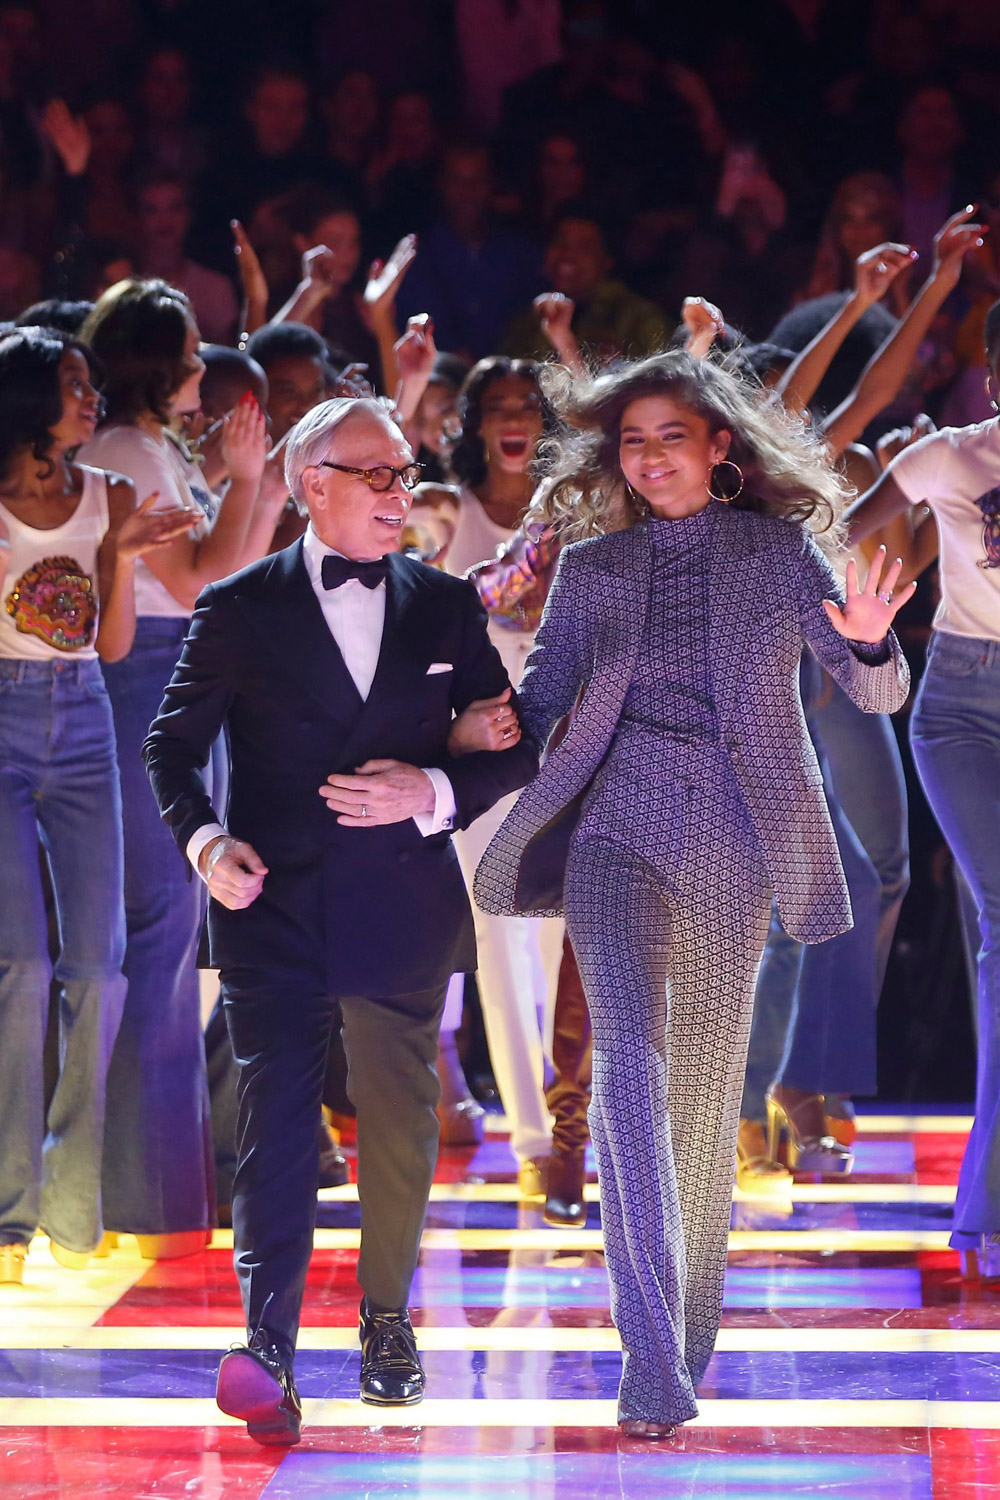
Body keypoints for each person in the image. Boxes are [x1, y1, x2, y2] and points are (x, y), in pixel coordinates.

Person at [474, 350, 911, 1436]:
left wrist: (868, 646)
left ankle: (685, 1327)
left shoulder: (777, 554)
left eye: (672, 435)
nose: (649, 456)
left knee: (704, 1103)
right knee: (627, 1063)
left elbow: (873, 682)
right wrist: (477, 731)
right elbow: (538, 707)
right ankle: (649, 1357)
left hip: (734, 835)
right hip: (614, 826)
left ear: (720, 449)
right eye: (632, 439)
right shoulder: (594, 568)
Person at [143, 394, 538, 1445]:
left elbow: (514, 748)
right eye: (374, 475)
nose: (396, 493)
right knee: (273, 1122)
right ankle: (265, 1339)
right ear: (312, 482)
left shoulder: (447, 604)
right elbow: (170, 751)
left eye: (404, 473)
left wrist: (435, 791)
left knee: (400, 1123)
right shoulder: (239, 605)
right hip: (271, 896)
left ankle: (386, 1321)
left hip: (401, 897)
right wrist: (205, 844)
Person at [78, 278, 276, 1258]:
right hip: (147, 682)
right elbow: (199, 582)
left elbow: (220, 578)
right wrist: (243, 482)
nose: (203, 369)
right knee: (154, 940)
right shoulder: (122, 452)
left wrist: (252, 482)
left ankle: (156, 1195)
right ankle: (142, 1201)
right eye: (192, 353)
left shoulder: (153, 449)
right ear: (159, 364)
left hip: (185, 680)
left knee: (170, 940)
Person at [0, 327, 195, 1285]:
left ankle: (70, 1210)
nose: (91, 399)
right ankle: (8, 1215)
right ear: (31, 398)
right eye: (75, 386)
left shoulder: (108, 494)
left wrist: (115, 554)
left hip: (81, 718)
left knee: (101, 967)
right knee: (23, 967)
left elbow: (114, 648)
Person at [845, 298, 1000, 1283]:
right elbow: (850, 527)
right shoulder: (951, 456)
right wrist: (864, 612)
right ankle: (985, 1210)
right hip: (963, 709)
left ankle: (984, 1210)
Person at [410, 356, 564, 1192]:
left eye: (528, 406)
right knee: (499, 935)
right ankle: (536, 1140)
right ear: (473, 424)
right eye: (497, 406)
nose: (513, 419)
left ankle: (567, 1122)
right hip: (475, 747)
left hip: (568, 742)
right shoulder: (443, 510)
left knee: (556, 940)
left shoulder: (578, 513)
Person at [502, 207, 666, 366]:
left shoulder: (640, 319)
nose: (567, 255)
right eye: (560, 243)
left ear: (607, 260)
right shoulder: (528, 319)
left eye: (584, 247)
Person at [135, 175, 240, 345]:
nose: (165, 220)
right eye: (152, 209)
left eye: (174, 208)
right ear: (138, 217)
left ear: (189, 214)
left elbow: (230, 356)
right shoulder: (123, 284)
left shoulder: (217, 287)